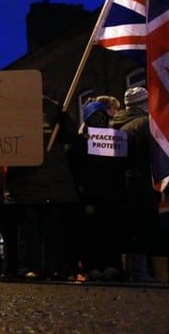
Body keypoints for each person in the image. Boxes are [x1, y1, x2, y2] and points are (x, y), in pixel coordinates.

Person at [4, 96, 81, 280]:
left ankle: (53, 267)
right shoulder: (13, 109)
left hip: (50, 177)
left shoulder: (53, 108)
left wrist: (64, 120)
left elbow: (70, 136)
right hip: (26, 177)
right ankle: (31, 267)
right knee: (30, 228)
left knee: (52, 228)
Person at [66, 99, 126, 281]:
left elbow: (122, 165)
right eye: (95, 117)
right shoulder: (80, 143)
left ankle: (111, 265)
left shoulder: (116, 138)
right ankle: (93, 266)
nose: (99, 120)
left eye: (101, 116)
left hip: (111, 195)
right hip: (90, 196)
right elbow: (74, 169)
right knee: (91, 233)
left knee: (110, 231)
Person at [111, 86, 158, 282]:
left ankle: (131, 270)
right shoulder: (145, 124)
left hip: (120, 184)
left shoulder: (115, 124)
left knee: (128, 228)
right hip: (141, 182)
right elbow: (156, 156)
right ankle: (140, 272)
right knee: (142, 227)